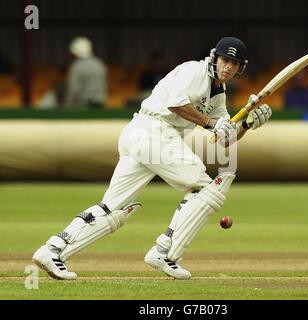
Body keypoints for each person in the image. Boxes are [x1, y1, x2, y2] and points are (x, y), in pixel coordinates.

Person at [32, 37, 272, 280]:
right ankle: (165, 251)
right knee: (206, 189)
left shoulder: (218, 94)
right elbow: (175, 104)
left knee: (113, 208)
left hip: (144, 136)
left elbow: (224, 138)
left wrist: (246, 125)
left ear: (240, 68)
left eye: (234, 63)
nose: (228, 67)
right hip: (154, 131)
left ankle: (53, 250)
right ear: (215, 57)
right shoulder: (194, 71)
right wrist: (210, 123)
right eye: (225, 60)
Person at [64, 37, 107, 108]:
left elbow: (74, 89)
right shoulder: (99, 64)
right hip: (99, 106)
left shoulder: (77, 66)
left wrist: (68, 105)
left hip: (82, 106)